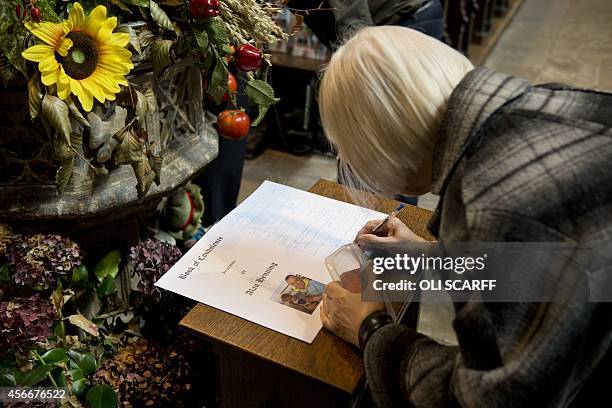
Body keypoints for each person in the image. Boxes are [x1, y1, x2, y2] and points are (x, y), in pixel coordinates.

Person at [317, 26, 612, 407]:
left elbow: (486, 400)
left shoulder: (492, 198)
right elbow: (549, 267)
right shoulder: (544, 104)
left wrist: (369, 328)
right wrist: (428, 256)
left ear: (381, 142)